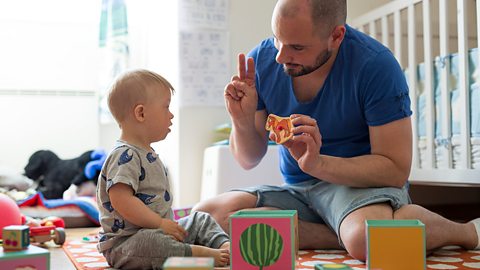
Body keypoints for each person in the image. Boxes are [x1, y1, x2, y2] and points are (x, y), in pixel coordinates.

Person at [193, 0, 480, 261]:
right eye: (276, 39)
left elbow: (395, 170)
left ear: (336, 36)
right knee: (205, 218)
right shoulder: (264, 61)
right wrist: (241, 120)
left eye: (297, 47)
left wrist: (320, 164)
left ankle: (466, 232)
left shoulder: (376, 66)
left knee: (366, 241)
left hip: (359, 189)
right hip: (299, 190)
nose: (280, 56)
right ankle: (344, 231)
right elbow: (248, 159)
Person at [96, 69, 230, 269]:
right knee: (153, 243)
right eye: (166, 107)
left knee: (200, 219)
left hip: (160, 230)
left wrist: (164, 225)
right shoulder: (124, 155)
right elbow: (121, 200)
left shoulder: (146, 153)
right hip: (126, 243)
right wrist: (159, 224)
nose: (171, 114)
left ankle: (226, 245)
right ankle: (198, 253)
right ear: (140, 113)